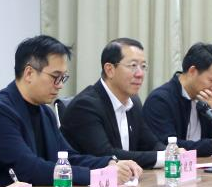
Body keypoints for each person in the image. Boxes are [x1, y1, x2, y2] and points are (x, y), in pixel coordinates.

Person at [0, 35, 140, 186]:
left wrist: (109, 163)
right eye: (55, 77)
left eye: (63, 78)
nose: (60, 85)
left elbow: (68, 157)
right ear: (29, 73)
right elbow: (29, 169)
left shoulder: (45, 112)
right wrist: (98, 176)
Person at [60, 38, 165, 169]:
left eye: (143, 66)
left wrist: (172, 152)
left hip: (127, 179)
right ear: (110, 70)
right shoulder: (85, 106)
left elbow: (151, 144)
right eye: (133, 66)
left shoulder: (133, 102)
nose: (140, 74)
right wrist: (163, 157)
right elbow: (105, 154)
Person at [143, 42, 212, 158]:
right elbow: (169, 146)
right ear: (192, 71)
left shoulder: (205, 100)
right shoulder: (159, 100)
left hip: (201, 165)